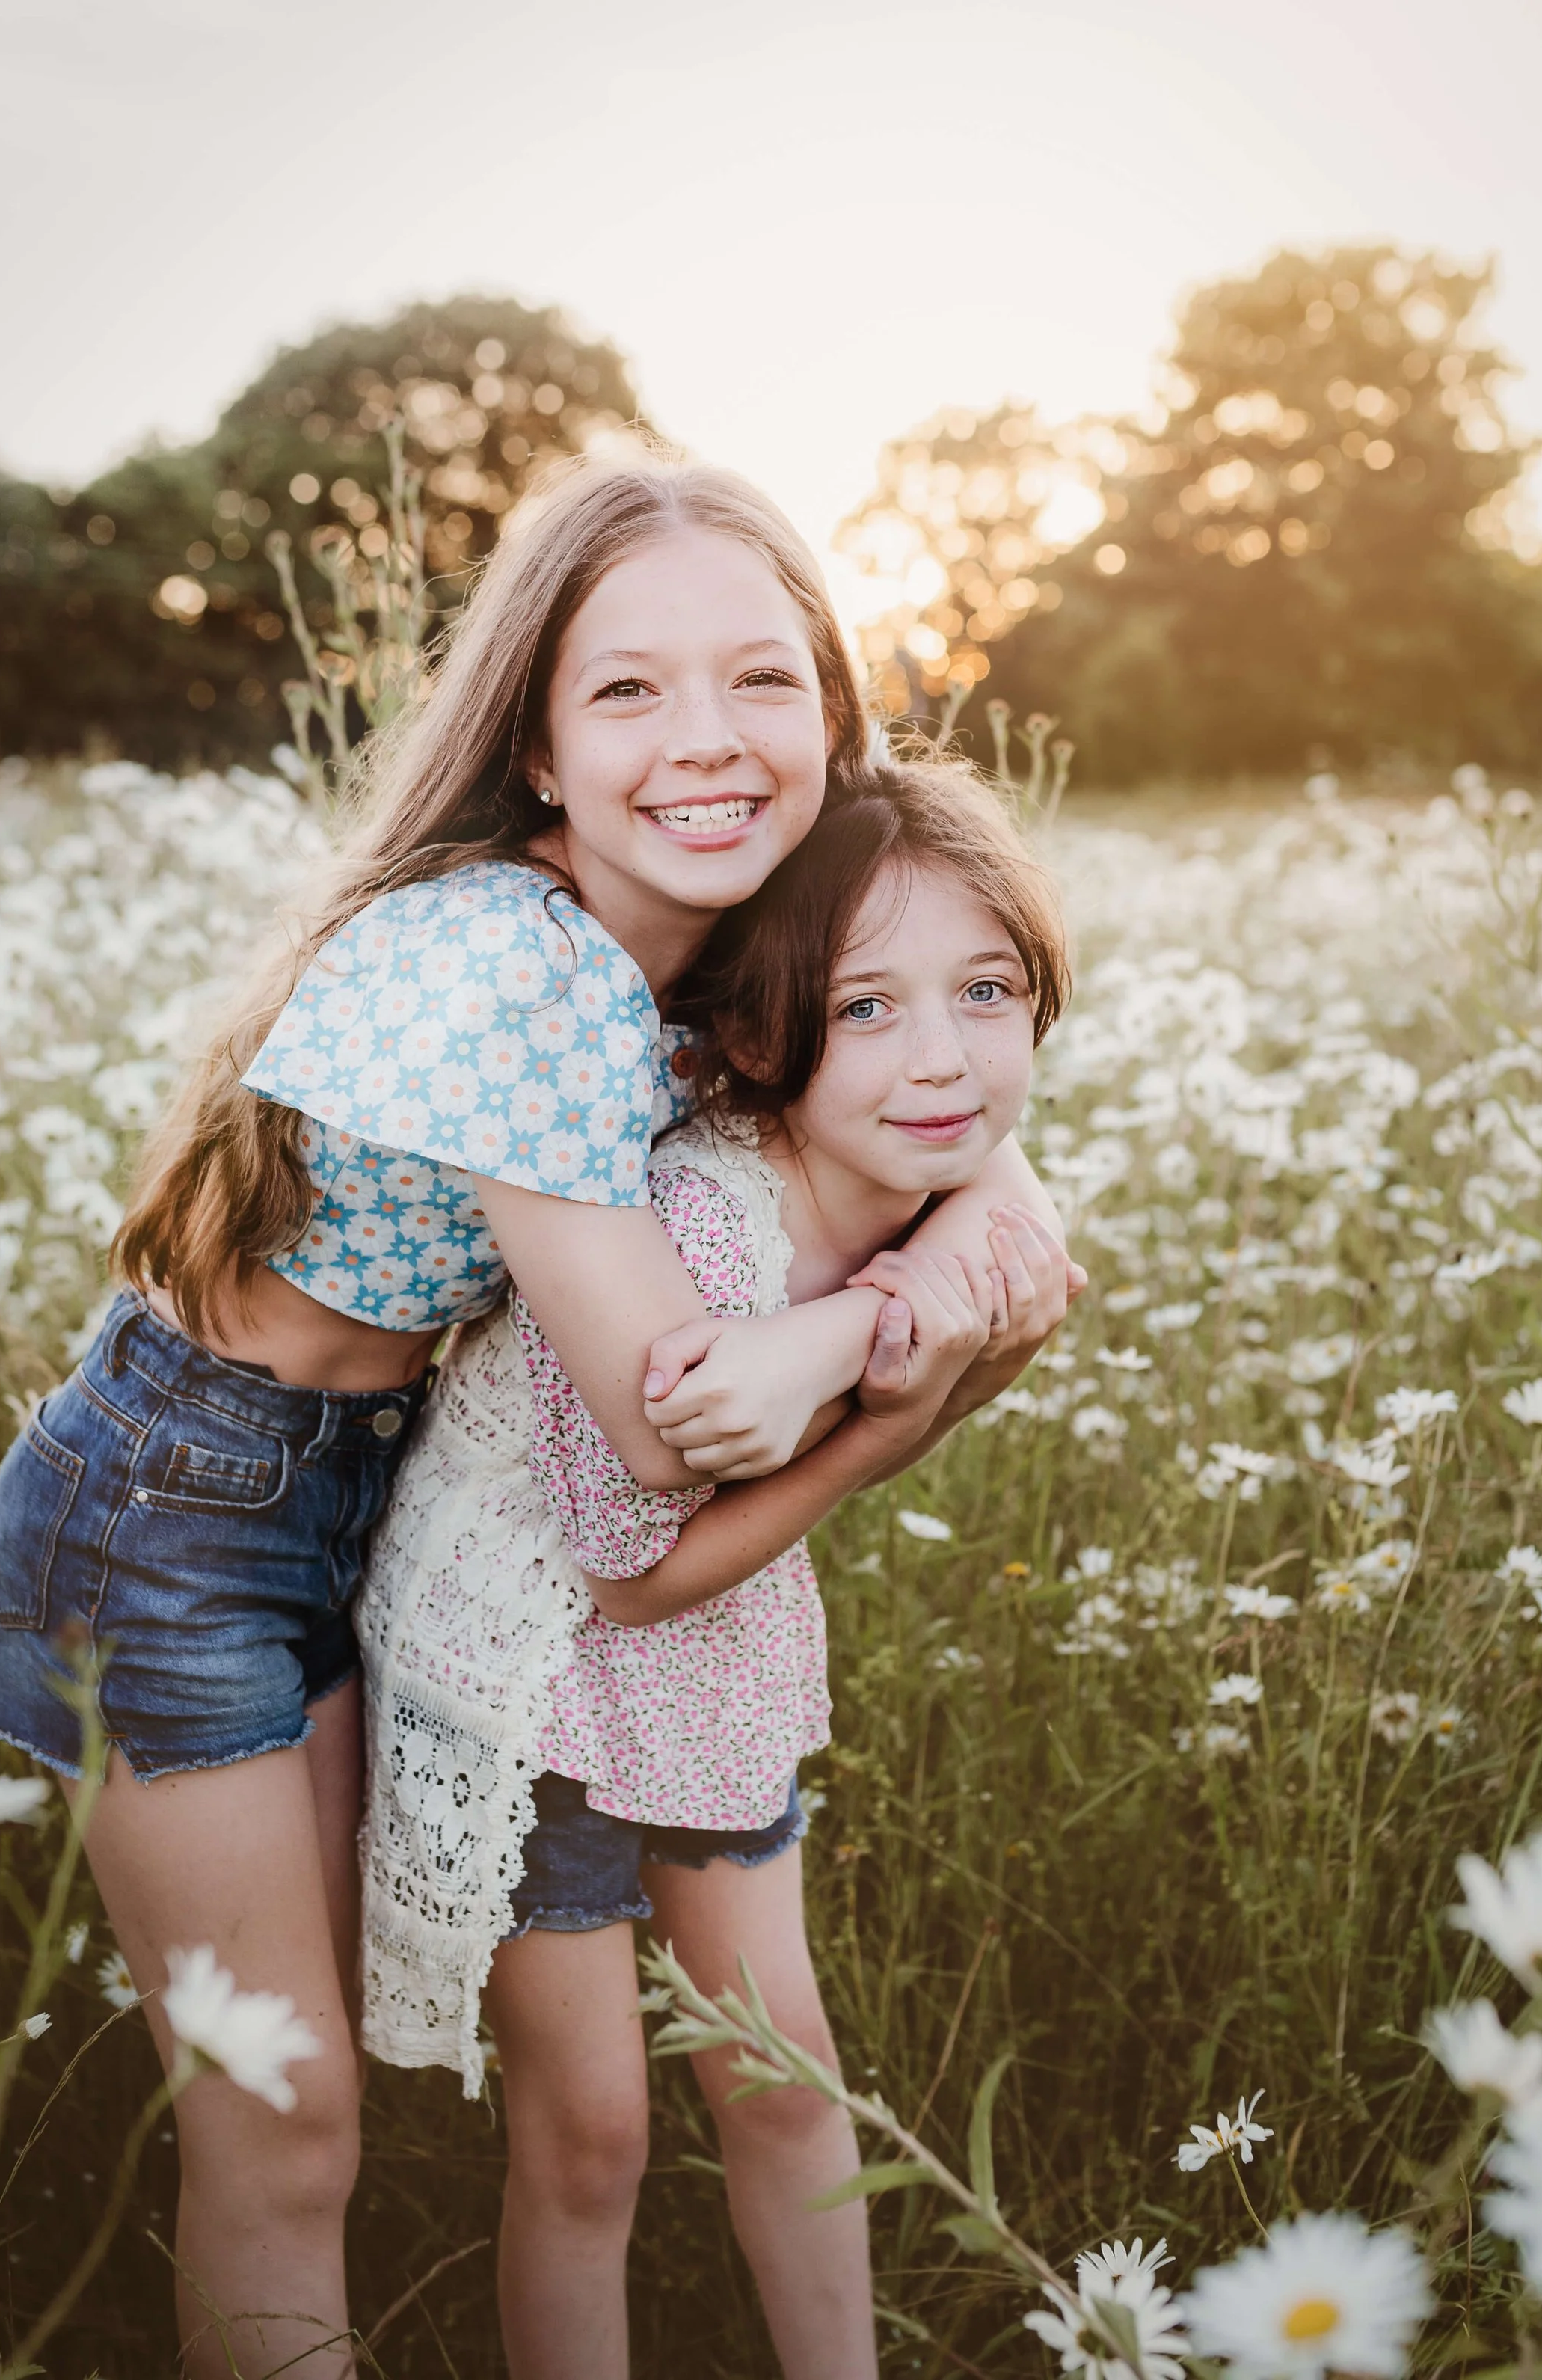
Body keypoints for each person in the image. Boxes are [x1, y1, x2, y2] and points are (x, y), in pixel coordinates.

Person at [0, 457, 1079, 2378]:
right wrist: (881, 1375)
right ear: (543, 750)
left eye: (761, 682)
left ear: (831, 709)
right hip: (176, 1502)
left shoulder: (722, 942)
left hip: (362, 1491)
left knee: (331, 2101)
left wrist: (938, 1254)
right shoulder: (512, 962)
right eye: (629, 691)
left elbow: (964, 1129)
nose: (708, 742)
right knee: (284, 2115)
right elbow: (670, 1440)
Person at [359, 757, 1071, 2380]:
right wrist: (888, 1427)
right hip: (530, 1678)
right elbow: (626, 1576)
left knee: (786, 2076)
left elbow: (1011, 1193)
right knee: (593, 2128)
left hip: (711, 1667)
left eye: (986, 992)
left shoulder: (933, 1170)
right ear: (762, 1040)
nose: (943, 1055)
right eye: (869, 1008)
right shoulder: (701, 1221)